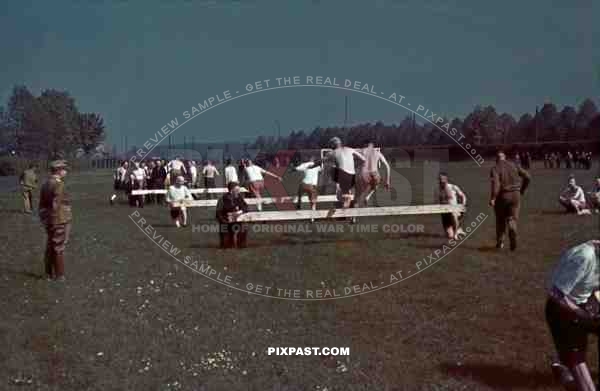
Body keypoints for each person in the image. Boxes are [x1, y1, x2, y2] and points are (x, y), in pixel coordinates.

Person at [545, 240, 600, 391]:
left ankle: (564, 366)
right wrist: (580, 312)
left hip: (583, 305)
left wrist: (594, 305)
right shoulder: (584, 257)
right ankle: (564, 370)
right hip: (560, 311)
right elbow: (555, 294)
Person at [489, 150, 531, 251]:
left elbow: (496, 185)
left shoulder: (495, 168)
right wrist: (522, 190)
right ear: (505, 157)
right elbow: (528, 177)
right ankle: (512, 228)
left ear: (496, 159)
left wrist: (493, 198)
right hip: (516, 195)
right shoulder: (514, 165)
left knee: (500, 220)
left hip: (502, 196)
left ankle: (500, 242)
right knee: (512, 218)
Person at [38, 160, 72, 282]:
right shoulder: (59, 184)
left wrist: (44, 219)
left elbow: (41, 205)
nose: (66, 171)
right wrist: (54, 221)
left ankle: (48, 273)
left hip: (49, 219)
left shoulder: (46, 183)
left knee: (50, 246)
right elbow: (55, 205)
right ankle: (59, 275)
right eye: (64, 169)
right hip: (58, 219)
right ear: (58, 171)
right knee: (58, 247)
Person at [325, 137, 366, 209]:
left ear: (333, 145)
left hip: (342, 176)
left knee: (333, 169)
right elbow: (363, 159)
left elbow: (322, 160)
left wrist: (311, 165)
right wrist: (355, 165)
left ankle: (344, 204)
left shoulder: (332, 152)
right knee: (345, 193)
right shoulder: (350, 149)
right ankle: (347, 207)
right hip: (352, 176)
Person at [356, 142, 391, 207]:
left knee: (359, 193)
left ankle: (356, 207)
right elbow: (387, 166)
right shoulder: (378, 153)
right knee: (376, 185)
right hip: (375, 174)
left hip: (364, 174)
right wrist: (387, 181)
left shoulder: (362, 151)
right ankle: (367, 197)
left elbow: (351, 151)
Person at [216, 181, 249, 249]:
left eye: (238, 190)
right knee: (226, 245)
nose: (238, 191)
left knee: (244, 227)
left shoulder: (239, 197)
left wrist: (240, 211)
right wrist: (225, 220)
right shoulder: (223, 199)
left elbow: (245, 206)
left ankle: (241, 244)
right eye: (237, 190)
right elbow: (218, 213)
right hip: (226, 221)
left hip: (237, 220)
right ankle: (227, 243)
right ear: (231, 190)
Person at [438, 172, 467, 241]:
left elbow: (463, 195)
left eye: (442, 179)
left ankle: (456, 233)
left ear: (446, 180)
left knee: (454, 216)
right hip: (444, 212)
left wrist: (463, 204)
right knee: (449, 236)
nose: (441, 181)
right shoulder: (438, 189)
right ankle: (458, 229)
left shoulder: (453, 187)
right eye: (440, 179)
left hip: (453, 209)